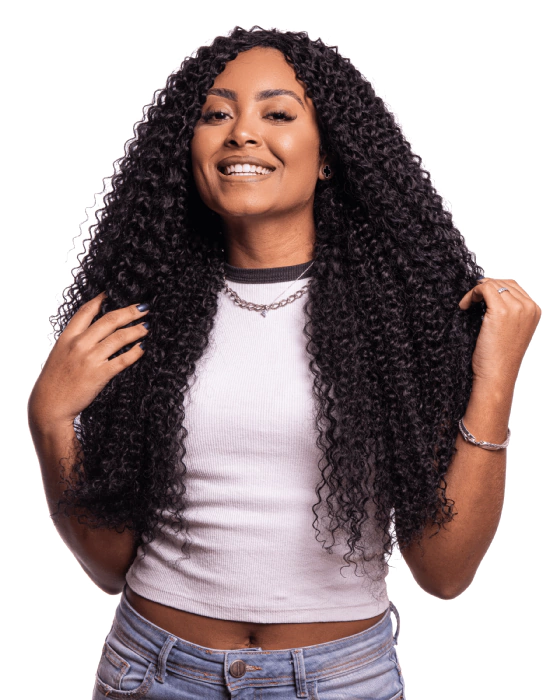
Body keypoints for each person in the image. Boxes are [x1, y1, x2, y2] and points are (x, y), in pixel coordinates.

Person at [27, 26, 541, 700]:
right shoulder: (142, 311)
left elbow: (445, 572)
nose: (241, 133)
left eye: (277, 114)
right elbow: (108, 565)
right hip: (153, 671)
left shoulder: (402, 316)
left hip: (340, 680)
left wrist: (496, 379)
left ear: (328, 155)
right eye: (216, 114)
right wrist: (49, 418)